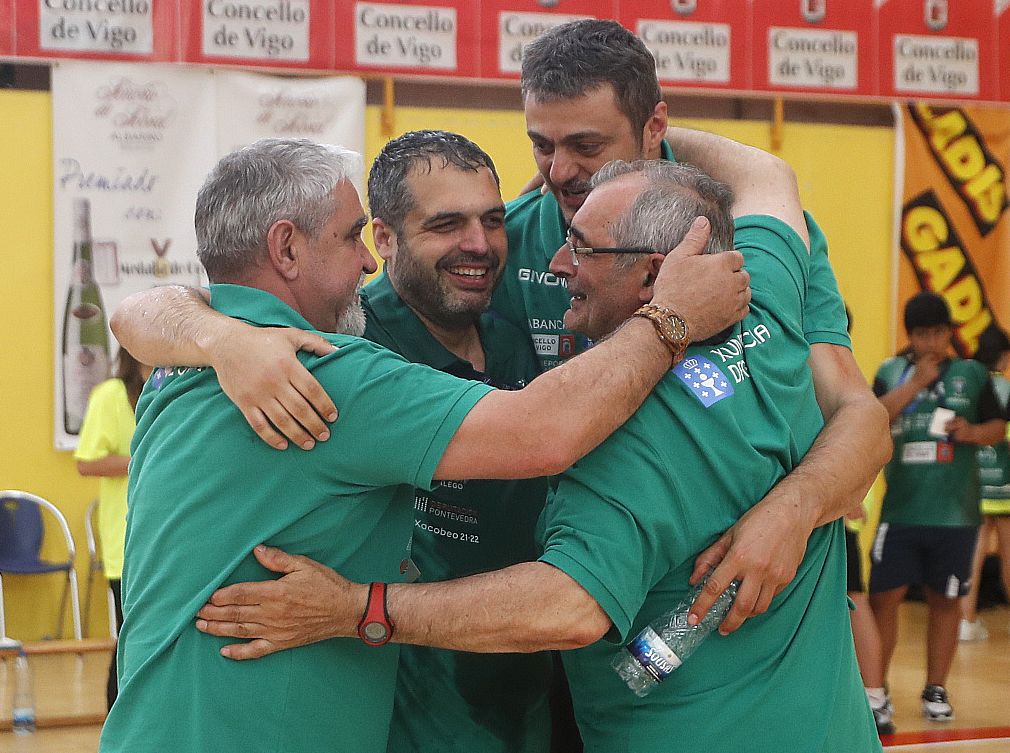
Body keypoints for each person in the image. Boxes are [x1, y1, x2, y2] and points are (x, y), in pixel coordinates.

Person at [195, 148, 883, 752]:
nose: (553, 264)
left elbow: (570, 603)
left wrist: (358, 607)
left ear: (657, 275)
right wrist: (215, 336)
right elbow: (767, 172)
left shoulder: (622, 442)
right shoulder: (762, 303)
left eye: (581, 247)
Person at [98, 137, 746, 753]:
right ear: (286, 248)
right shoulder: (327, 371)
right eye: (353, 235)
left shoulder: (177, 366)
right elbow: (547, 433)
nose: (366, 261)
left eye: (494, 221)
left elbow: (143, 313)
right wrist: (672, 315)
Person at [362, 129, 552, 753]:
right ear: (383, 237)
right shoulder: (347, 346)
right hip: (407, 717)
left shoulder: (514, 337)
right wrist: (218, 339)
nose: (478, 245)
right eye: (446, 224)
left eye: (493, 221)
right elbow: (187, 313)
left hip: (536, 703)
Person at [869, 292, 1007, 723]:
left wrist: (971, 431)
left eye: (939, 332)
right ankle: (877, 689)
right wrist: (915, 384)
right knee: (883, 598)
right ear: (909, 336)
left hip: (955, 513)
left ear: (950, 332)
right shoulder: (890, 372)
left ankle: (936, 687)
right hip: (900, 510)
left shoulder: (973, 374)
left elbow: (997, 428)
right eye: (922, 333)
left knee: (945, 601)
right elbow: (872, 418)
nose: (932, 341)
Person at [74, 346, 151, 711]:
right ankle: (117, 726)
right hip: (126, 541)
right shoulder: (110, 394)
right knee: (129, 642)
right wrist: (148, 458)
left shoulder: (182, 385)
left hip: (170, 538)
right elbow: (87, 463)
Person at [959, 327, 1010, 641]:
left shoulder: (971, 383)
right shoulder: (1005, 388)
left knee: (973, 554)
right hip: (1005, 485)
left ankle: (965, 620)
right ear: (1004, 356)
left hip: (975, 483)